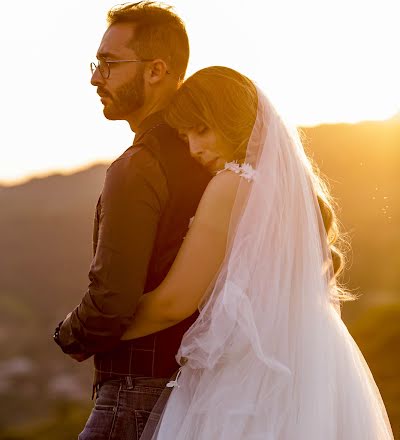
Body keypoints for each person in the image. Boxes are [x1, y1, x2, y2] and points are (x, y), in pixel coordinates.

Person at [121, 66, 394, 439]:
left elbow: (173, 303)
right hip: (315, 365)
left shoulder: (229, 185)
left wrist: (99, 330)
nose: (194, 149)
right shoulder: (289, 194)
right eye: (185, 137)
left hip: (251, 374)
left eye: (202, 130)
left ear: (232, 120)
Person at [53, 1, 211, 440]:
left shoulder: (138, 166)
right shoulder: (215, 157)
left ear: (156, 70)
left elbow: (111, 302)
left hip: (134, 391)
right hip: (198, 388)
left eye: (108, 64)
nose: (94, 77)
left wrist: (67, 335)